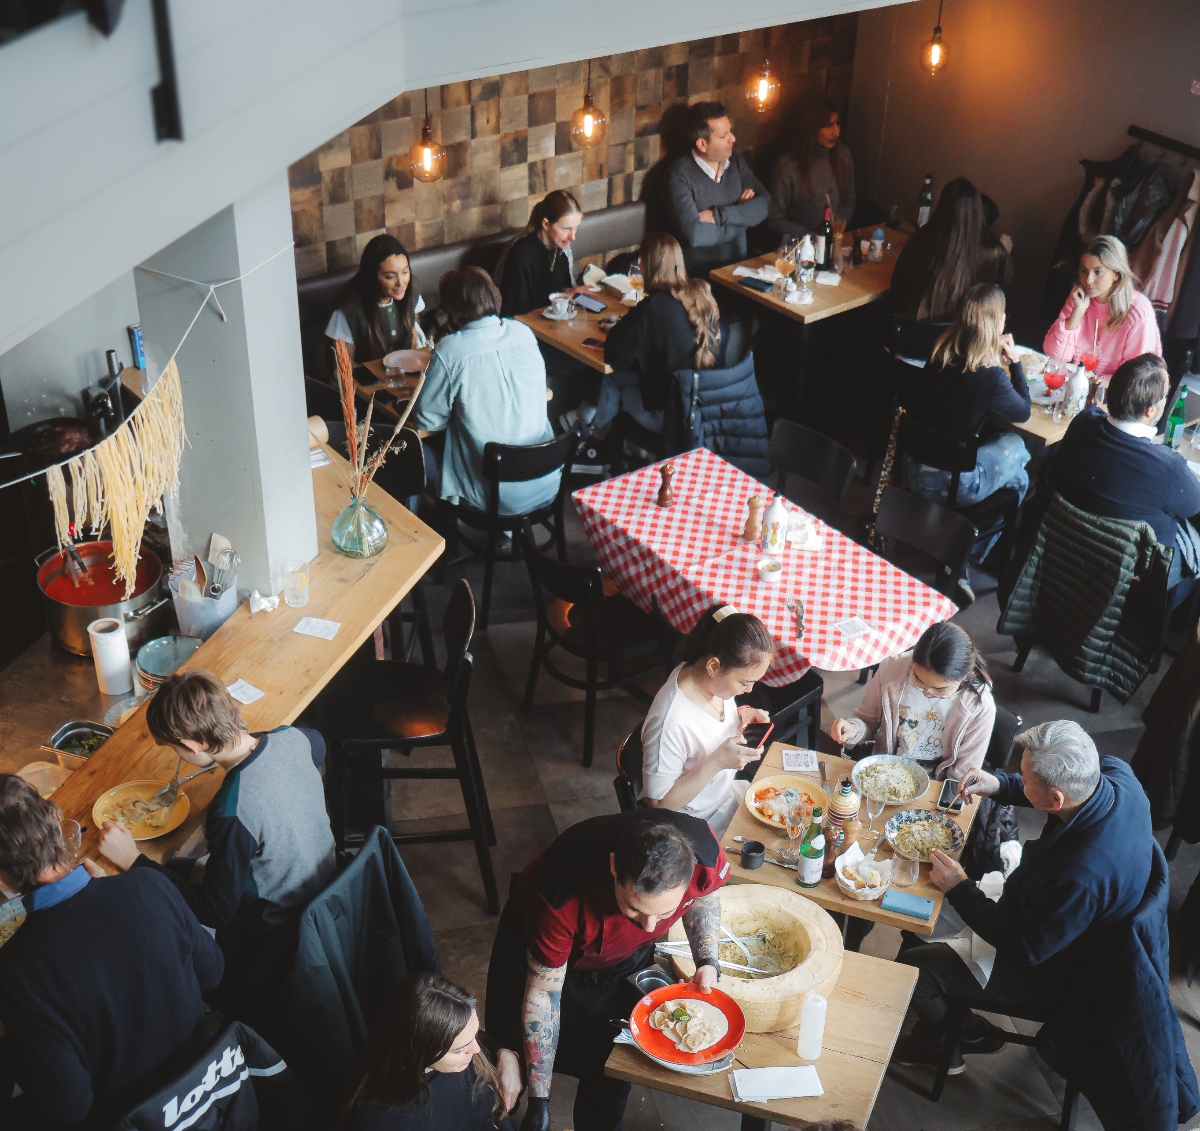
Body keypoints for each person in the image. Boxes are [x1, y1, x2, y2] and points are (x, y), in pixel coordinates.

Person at [891, 722, 1157, 1080]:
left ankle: (943, 1039)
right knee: (921, 918)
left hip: (1055, 968)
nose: (1020, 777)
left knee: (912, 970)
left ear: (1055, 800)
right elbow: (1044, 791)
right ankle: (953, 1014)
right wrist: (1000, 784)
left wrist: (961, 889)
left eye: (1024, 776)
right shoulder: (1115, 775)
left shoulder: (1079, 875)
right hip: (1055, 919)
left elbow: (1025, 947)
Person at [97, 670, 336, 1018]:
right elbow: (318, 743)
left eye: (176, 750)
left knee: (150, 893)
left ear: (192, 746)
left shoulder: (231, 812)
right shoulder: (292, 738)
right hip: (324, 895)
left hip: (275, 938)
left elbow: (213, 911)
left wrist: (133, 858)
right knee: (179, 870)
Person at [0, 775, 224, 1128]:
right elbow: (213, 972)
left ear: (3, 879)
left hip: (137, 1118)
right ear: (57, 826)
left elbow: (68, 1108)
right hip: (211, 1088)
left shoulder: (17, 969)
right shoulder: (149, 886)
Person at [485, 812, 729, 1131]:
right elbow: (543, 995)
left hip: (621, 961)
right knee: (508, 1072)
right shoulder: (561, 894)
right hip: (538, 959)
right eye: (634, 908)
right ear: (614, 866)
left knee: (610, 1065)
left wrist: (707, 959)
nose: (650, 926)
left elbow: (705, 896)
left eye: (665, 912)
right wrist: (540, 1101)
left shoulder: (704, 851)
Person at [413, 267, 557, 515]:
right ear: (494, 296)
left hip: (498, 496)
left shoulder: (451, 351)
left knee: (408, 452)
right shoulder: (523, 332)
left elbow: (427, 420)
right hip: (548, 479)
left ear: (452, 311)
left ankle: (422, 536)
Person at [1050, 353, 1200, 587]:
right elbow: (1194, 505)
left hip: (1066, 550)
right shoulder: (1168, 467)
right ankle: (1173, 622)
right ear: (1150, 411)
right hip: (1130, 578)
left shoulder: (1083, 422)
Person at [642, 604, 774, 834]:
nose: (750, 690)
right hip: (691, 824)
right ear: (714, 666)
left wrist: (742, 713)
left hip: (723, 798)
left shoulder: (708, 681)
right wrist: (716, 763)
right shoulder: (670, 722)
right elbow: (659, 806)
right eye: (744, 682)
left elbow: (709, 722)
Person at [902, 284, 1033, 512]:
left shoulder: (939, 353)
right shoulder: (990, 376)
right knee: (1017, 449)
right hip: (952, 486)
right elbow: (1023, 412)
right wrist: (1016, 363)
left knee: (1013, 470)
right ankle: (973, 544)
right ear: (997, 323)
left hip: (911, 470)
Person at [340, 973, 514, 1131]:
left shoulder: (460, 1046)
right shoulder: (375, 1121)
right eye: (459, 1050)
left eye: (475, 1034)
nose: (476, 1050)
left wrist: (507, 1054)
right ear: (419, 1049)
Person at [590, 232, 724, 436]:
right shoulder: (701, 294)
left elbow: (614, 356)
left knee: (612, 380)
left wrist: (624, 326)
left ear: (644, 266)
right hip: (705, 414)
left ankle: (594, 443)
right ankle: (627, 450)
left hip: (669, 420)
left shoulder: (653, 306)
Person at [831, 621, 995, 780]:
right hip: (884, 771)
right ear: (913, 660)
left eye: (940, 689)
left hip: (935, 783)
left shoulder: (979, 707)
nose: (928, 693)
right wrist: (853, 729)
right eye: (918, 680)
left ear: (964, 675)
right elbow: (866, 721)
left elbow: (960, 776)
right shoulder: (892, 669)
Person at [665, 101, 770, 274]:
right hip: (700, 278)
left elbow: (765, 204)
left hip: (738, 269)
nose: (733, 139)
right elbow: (696, 235)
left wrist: (719, 215)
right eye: (723, 136)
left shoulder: (735, 161)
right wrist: (744, 217)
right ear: (702, 144)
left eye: (730, 132)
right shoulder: (678, 176)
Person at [889, 177, 1012, 323]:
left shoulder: (919, 239)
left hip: (911, 334)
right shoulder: (994, 253)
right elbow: (1002, 286)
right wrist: (1005, 252)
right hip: (961, 338)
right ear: (977, 212)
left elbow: (896, 290)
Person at [1043, 234, 1162, 382]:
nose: (1088, 280)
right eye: (1084, 271)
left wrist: (1091, 383)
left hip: (1113, 394)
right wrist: (1075, 316)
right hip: (1077, 385)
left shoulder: (1138, 312)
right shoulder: (1079, 296)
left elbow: (1135, 377)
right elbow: (1054, 355)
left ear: (1116, 275)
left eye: (1098, 272)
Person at [326, 234, 427, 369]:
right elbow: (342, 370)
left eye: (405, 272)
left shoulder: (411, 289)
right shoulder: (349, 308)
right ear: (372, 276)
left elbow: (413, 337)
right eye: (390, 276)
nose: (400, 283)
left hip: (404, 378)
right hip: (366, 384)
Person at [766, 95, 856, 240]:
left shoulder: (843, 156)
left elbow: (850, 201)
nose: (836, 132)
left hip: (835, 240)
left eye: (837, 124)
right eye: (828, 126)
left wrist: (840, 222)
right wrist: (809, 234)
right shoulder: (789, 166)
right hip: (800, 246)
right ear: (812, 127)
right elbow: (774, 218)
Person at [498, 191, 585, 318]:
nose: (573, 236)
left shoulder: (563, 248)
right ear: (545, 224)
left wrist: (568, 292)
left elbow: (554, 289)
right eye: (566, 229)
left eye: (576, 228)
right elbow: (515, 313)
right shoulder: (522, 253)